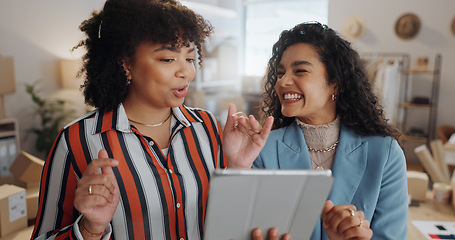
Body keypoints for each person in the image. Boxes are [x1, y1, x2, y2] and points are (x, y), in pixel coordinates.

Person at [30, 0, 282, 239]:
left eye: (190, 58)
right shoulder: (78, 141)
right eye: (168, 59)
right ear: (125, 62)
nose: (186, 71)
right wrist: (90, 229)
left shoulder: (206, 127)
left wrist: (237, 168)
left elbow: (228, 222)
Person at [249, 22, 408, 239]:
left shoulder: (385, 154)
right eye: (280, 73)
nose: (283, 81)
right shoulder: (261, 150)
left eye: (300, 71)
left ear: (335, 83)